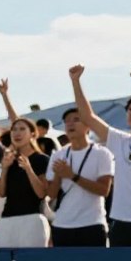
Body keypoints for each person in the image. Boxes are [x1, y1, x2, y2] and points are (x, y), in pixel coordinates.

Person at [70, 64, 131, 246]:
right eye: (130, 109)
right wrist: (75, 81)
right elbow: (88, 117)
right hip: (122, 222)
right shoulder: (119, 140)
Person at [46, 105, 114, 247]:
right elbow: (51, 194)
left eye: (76, 119)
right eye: (67, 121)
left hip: (92, 224)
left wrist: (72, 176)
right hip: (62, 224)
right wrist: (59, 175)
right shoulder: (58, 155)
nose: (70, 123)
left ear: (88, 126)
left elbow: (104, 190)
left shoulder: (102, 153)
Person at [0, 118, 51, 248]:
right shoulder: (9, 160)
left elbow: (41, 193)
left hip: (33, 218)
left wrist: (28, 169)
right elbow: (1, 193)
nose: (17, 133)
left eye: (22, 129)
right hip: (7, 219)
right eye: (14, 130)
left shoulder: (41, 159)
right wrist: (5, 168)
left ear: (32, 134)